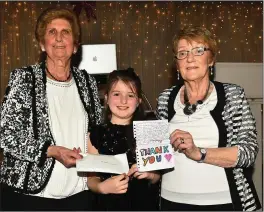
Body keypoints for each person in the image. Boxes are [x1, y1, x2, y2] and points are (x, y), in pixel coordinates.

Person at [0, 7, 102, 211]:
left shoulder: (88, 82)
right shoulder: (24, 79)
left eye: (66, 32)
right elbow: (6, 136)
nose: (58, 38)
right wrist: (51, 151)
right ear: (42, 44)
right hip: (31, 196)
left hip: (79, 193)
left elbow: (97, 133)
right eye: (51, 32)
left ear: (75, 46)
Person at [156, 26, 261, 211]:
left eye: (198, 51)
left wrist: (199, 153)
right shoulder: (165, 98)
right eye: (182, 53)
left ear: (211, 59)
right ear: (177, 64)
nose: (190, 58)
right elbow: (160, 152)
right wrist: (147, 168)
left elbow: (248, 152)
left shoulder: (232, 95)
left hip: (223, 202)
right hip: (171, 201)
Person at [86, 69, 161, 210]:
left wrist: (150, 174)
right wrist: (102, 187)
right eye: (116, 94)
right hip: (107, 206)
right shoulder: (95, 134)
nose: (123, 101)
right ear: (106, 98)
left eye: (130, 95)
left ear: (138, 101)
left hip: (143, 204)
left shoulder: (149, 130)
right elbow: (91, 179)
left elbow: (157, 176)